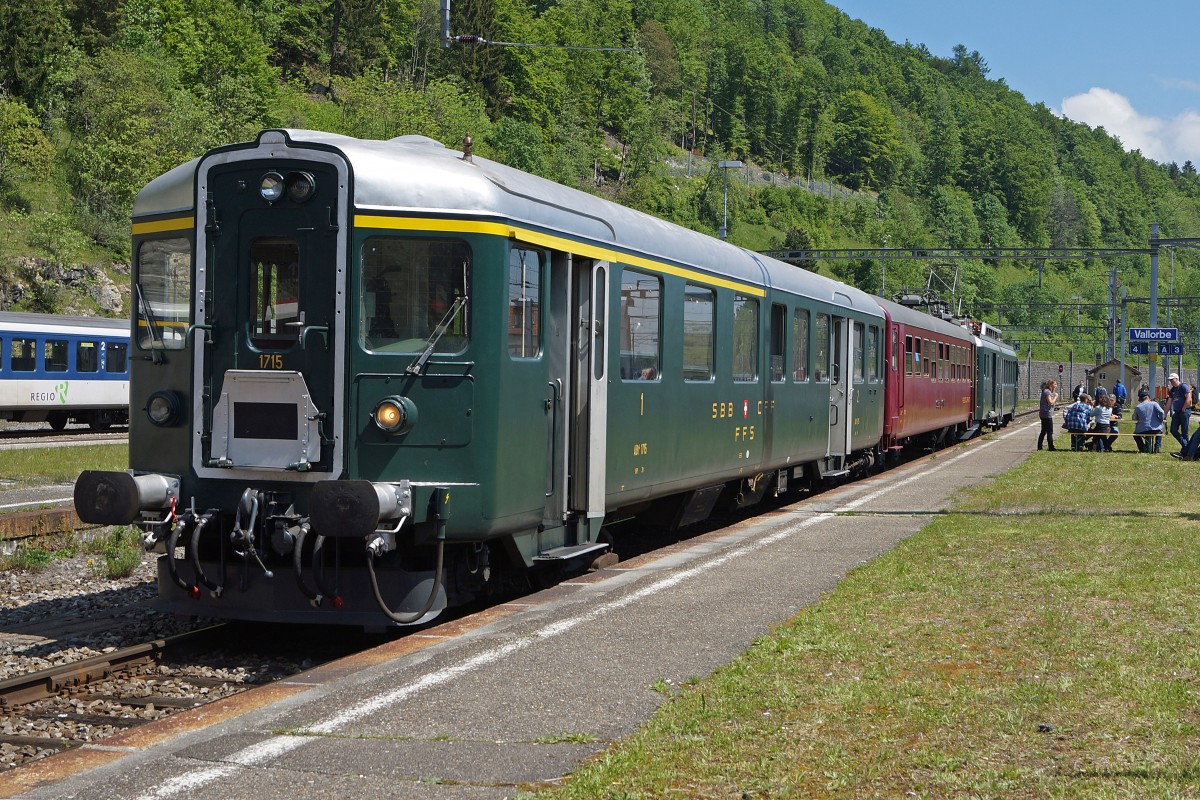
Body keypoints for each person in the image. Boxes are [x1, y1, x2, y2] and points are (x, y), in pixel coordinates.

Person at [1132, 389, 1166, 453]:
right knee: (1160, 432)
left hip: (1142, 430)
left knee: (1135, 435)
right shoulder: (1154, 404)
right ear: (1147, 397)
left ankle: (1143, 448)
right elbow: (1162, 412)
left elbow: (1134, 418)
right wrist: (1161, 419)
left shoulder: (1138, 407)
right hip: (1156, 429)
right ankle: (1157, 447)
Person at [1168, 373, 1192, 449]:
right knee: (1173, 430)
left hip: (1184, 411)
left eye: (1172, 380)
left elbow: (1188, 398)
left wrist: (1184, 408)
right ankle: (1186, 445)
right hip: (1177, 412)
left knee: (1184, 431)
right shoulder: (1172, 390)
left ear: (1177, 379)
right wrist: (1164, 414)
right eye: (1170, 380)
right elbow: (1169, 402)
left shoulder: (1183, 386)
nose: (1171, 381)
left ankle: (1186, 450)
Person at [1037, 379, 1058, 451]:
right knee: (1049, 431)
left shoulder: (1046, 391)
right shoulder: (1047, 392)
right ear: (1050, 385)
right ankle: (1051, 447)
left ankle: (1039, 446)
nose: (1056, 386)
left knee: (1044, 431)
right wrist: (1055, 397)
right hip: (1047, 414)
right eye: (1055, 384)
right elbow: (1050, 402)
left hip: (1043, 413)